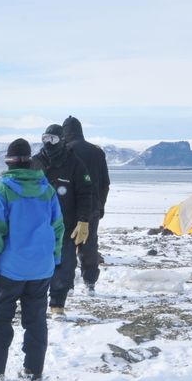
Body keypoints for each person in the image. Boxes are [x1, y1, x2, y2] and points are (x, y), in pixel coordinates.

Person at [0, 139, 64, 381]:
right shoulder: (46, 189)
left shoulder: (3, 189)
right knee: (36, 320)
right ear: (30, 161)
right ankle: (33, 372)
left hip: (11, 269)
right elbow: (58, 227)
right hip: (41, 268)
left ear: (9, 162)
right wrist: (56, 259)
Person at [33, 122, 94, 315]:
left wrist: (83, 220)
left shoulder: (75, 164)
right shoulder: (35, 163)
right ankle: (35, 302)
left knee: (64, 265)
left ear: (62, 140)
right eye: (45, 139)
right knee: (37, 264)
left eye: (53, 139)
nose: (48, 143)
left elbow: (86, 194)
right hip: (38, 224)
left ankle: (57, 305)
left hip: (66, 225)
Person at [59, 116, 110, 295]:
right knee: (89, 244)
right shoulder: (97, 152)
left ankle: (67, 285)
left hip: (68, 208)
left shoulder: (64, 151)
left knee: (67, 246)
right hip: (92, 209)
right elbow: (105, 183)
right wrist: (100, 205)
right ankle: (90, 283)